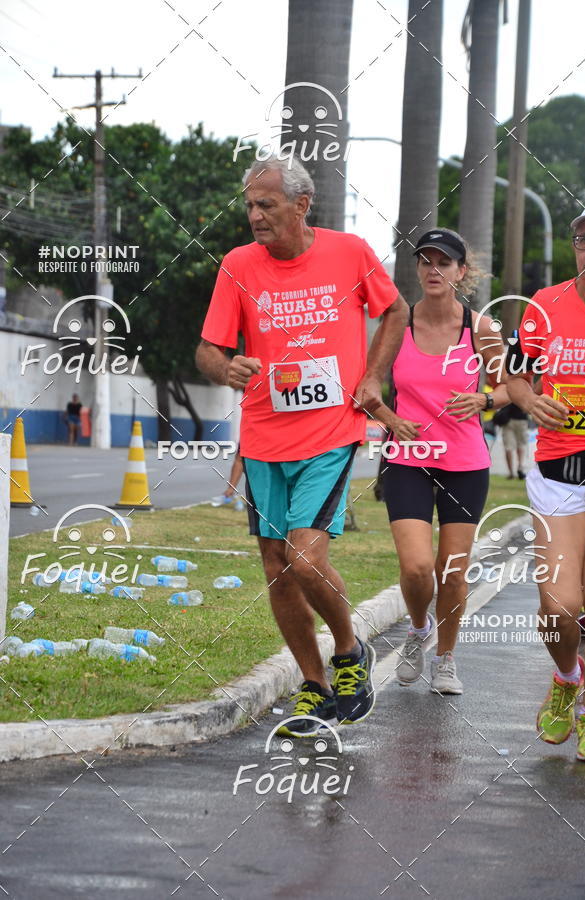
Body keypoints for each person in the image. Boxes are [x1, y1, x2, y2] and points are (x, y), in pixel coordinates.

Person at [196, 156, 407, 737]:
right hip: (264, 437)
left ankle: (349, 649)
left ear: (301, 204)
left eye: (266, 204)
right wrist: (225, 368)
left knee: (304, 557)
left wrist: (373, 376)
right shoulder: (238, 265)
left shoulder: (350, 253)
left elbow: (395, 310)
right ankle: (314, 686)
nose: (255, 215)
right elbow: (208, 350)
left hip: (330, 434)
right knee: (276, 567)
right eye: (249, 205)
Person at [374, 228, 508, 694]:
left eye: (444, 262)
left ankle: (445, 658)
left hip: (465, 462)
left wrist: (484, 400)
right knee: (416, 567)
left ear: (460, 271)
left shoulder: (481, 329)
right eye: (425, 261)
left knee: (451, 569)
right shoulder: (397, 324)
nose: (434, 270)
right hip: (408, 458)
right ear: (417, 269)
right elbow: (364, 387)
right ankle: (418, 629)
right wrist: (391, 419)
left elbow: (511, 388)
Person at [506, 201, 585, 763]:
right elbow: (515, 375)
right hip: (560, 468)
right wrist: (531, 401)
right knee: (561, 605)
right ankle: (567, 675)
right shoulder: (545, 305)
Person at [496, 400, 529, 479]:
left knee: (508, 447)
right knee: (520, 445)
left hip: (508, 418)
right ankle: (520, 468)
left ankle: (511, 473)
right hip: (521, 418)